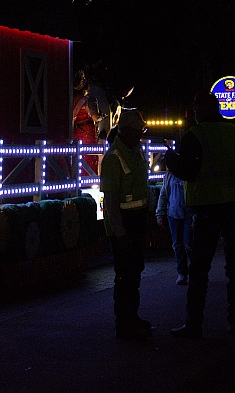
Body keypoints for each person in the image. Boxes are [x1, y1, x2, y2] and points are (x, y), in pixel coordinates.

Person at [170, 90, 235, 339]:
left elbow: (187, 171)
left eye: (195, 109)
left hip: (208, 208)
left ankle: (193, 324)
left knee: (199, 269)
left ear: (203, 110)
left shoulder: (195, 135)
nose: (193, 113)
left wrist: (169, 160)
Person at [100, 109, 152, 341]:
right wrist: (120, 234)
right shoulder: (114, 158)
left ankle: (132, 317)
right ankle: (125, 323)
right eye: (138, 131)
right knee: (125, 277)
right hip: (124, 226)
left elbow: (143, 189)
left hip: (137, 223)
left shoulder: (136, 153)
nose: (140, 135)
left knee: (135, 273)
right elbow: (110, 203)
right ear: (125, 130)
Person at [156, 166, 191, 285]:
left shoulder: (186, 174)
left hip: (188, 213)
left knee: (187, 244)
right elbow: (164, 195)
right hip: (174, 214)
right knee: (178, 244)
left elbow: (163, 195)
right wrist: (160, 214)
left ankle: (191, 270)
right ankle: (183, 272)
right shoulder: (169, 176)